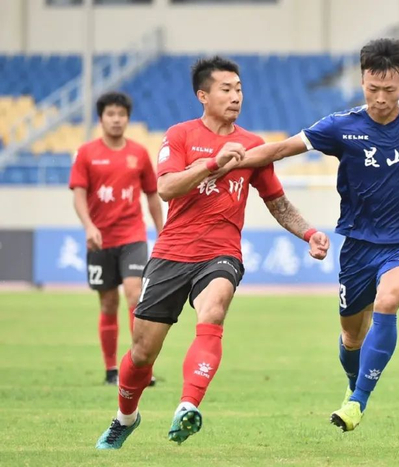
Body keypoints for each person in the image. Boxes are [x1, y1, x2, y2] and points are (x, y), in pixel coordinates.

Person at [233, 38, 399, 432]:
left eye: (389, 90)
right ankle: (353, 383)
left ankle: (358, 401)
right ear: (362, 82)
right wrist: (228, 164)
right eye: (372, 88)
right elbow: (280, 150)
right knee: (350, 336)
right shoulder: (341, 126)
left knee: (389, 300)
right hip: (358, 246)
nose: (380, 98)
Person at [95, 56, 329, 449]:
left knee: (214, 309)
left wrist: (309, 233)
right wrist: (210, 164)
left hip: (221, 252)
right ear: (203, 95)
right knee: (141, 353)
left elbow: (277, 202)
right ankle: (125, 418)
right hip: (172, 252)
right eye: (226, 89)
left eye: (239, 89)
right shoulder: (180, 135)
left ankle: (187, 406)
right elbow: (166, 188)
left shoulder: (253, 146)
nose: (236, 96)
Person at [69, 91, 163, 386]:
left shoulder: (139, 153)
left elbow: (152, 194)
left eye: (121, 114)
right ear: (101, 118)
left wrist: (162, 230)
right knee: (109, 303)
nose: (116, 119)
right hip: (100, 240)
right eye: (111, 114)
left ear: (127, 118)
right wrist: (88, 227)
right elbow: (79, 195)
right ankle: (111, 369)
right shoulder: (86, 153)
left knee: (135, 295)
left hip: (133, 236)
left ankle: (138, 367)